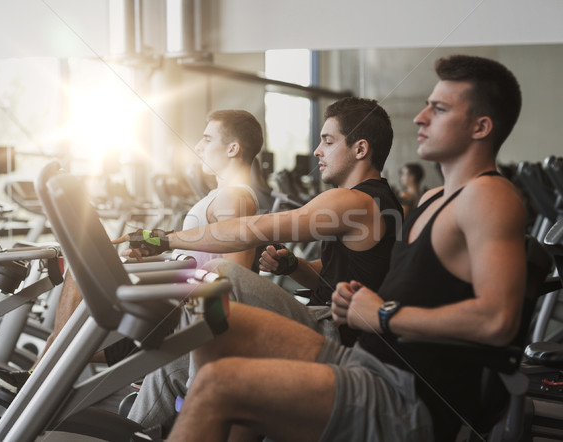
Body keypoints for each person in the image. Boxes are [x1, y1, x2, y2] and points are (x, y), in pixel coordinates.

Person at [162, 54, 526, 442]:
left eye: (438, 109)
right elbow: (398, 280)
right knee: (218, 331)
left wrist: (384, 314)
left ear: (481, 126)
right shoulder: (435, 197)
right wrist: (347, 294)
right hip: (368, 357)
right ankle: (196, 408)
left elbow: (497, 320)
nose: (420, 118)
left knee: (220, 366)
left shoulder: (489, 195)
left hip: (401, 393)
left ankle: (178, 410)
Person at [120, 97, 403, 430]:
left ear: (360, 149)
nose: (317, 151)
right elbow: (333, 279)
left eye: (327, 141)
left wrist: (160, 240)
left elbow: (249, 232)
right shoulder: (372, 200)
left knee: (222, 275)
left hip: (340, 332)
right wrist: (292, 266)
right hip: (329, 316)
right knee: (169, 364)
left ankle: (207, 395)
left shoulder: (354, 199)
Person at [0, 109, 264, 393]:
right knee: (80, 268)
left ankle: (40, 375)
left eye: (207, 139)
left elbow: (236, 276)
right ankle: (42, 371)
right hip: (177, 298)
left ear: (233, 148)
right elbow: (206, 252)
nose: (198, 146)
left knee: (80, 273)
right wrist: (154, 254)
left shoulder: (235, 197)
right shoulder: (222, 195)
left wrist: (172, 285)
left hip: (184, 312)